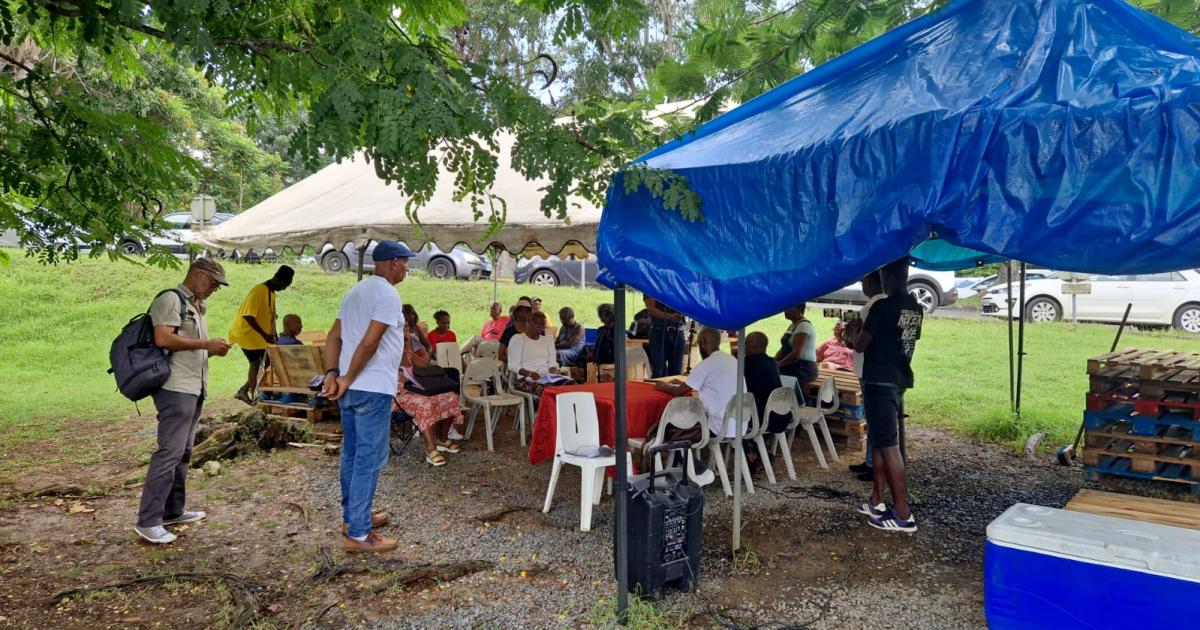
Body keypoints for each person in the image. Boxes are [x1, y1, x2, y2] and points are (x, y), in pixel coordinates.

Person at [321, 240, 415, 553]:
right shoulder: (387, 293)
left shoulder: (355, 292)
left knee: (352, 454)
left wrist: (333, 373)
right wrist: (345, 376)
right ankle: (358, 535)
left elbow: (333, 336)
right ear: (392, 263)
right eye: (404, 262)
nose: (407, 267)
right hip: (371, 387)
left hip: (352, 387)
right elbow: (369, 342)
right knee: (369, 459)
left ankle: (354, 517)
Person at [134, 258, 231, 544]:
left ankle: (173, 510)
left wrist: (213, 349)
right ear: (198, 275)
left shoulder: (196, 306)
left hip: (194, 386)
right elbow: (163, 339)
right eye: (213, 283)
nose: (215, 289)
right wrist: (206, 344)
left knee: (184, 452)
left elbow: (186, 350)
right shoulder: (170, 299)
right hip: (174, 388)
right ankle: (148, 520)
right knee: (169, 452)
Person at [851, 258, 923, 533]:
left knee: (889, 445)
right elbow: (909, 339)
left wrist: (856, 328)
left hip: (879, 380)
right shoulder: (915, 308)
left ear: (888, 277)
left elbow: (860, 345)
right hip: (898, 376)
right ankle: (877, 500)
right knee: (881, 440)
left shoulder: (883, 307)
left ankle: (903, 513)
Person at [652, 328, 735, 485]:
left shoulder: (707, 364)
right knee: (677, 429)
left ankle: (699, 470)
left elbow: (678, 392)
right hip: (738, 422)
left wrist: (663, 386)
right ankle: (684, 468)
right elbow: (711, 385)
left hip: (717, 425)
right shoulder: (731, 360)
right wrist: (685, 383)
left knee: (671, 430)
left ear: (704, 342)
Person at [229, 265, 294, 404]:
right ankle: (256, 398)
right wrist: (264, 335)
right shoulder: (259, 290)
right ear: (281, 281)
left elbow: (271, 317)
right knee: (256, 363)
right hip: (247, 334)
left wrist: (274, 335)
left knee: (269, 362)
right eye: (286, 286)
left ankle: (243, 390)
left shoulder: (272, 293)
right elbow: (248, 316)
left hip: (259, 337)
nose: (285, 289)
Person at [846, 271, 888, 480]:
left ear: (871, 282)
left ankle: (874, 465)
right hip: (877, 368)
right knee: (874, 420)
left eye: (863, 281)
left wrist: (850, 332)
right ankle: (871, 460)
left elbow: (859, 343)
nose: (862, 286)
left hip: (868, 369)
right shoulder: (884, 303)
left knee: (874, 420)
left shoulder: (872, 306)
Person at [396, 344, 463, 467]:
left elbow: (426, 366)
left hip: (415, 389)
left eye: (405, 338)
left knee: (450, 396)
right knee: (425, 403)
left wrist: (409, 353)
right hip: (396, 395)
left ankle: (442, 439)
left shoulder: (407, 353)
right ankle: (430, 449)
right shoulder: (384, 354)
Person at [742, 331, 791, 475]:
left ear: (753, 345)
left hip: (762, 419)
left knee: (735, 419)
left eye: (745, 343)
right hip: (781, 416)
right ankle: (762, 453)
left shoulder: (747, 365)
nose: (743, 346)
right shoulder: (772, 362)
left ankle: (752, 454)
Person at [508, 311, 569, 399]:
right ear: (529, 323)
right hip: (525, 379)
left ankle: (564, 412)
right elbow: (513, 365)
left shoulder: (548, 340)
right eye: (538, 325)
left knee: (571, 385)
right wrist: (530, 373)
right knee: (549, 391)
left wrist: (554, 370)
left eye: (543, 326)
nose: (541, 329)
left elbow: (552, 363)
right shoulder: (518, 339)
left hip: (546, 377)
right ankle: (548, 412)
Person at [776, 303, 818, 386]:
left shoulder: (803, 326)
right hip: (793, 365)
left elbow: (796, 354)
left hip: (803, 368)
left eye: (788, 307)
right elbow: (783, 349)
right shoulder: (793, 325)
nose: (785, 310)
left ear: (799, 309)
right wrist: (773, 361)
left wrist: (778, 365)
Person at [644, 296, 685, 378]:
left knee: (676, 371)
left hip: (678, 331)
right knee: (659, 371)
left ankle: (673, 388)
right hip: (658, 331)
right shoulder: (653, 284)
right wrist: (670, 316)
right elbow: (651, 309)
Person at [498, 298, 532, 363]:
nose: (524, 313)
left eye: (527, 311)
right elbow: (500, 355)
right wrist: (516, 363)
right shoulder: (508, 332)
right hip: (514, 368)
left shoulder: (534, 332)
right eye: (521, 311)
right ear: (516, 313)